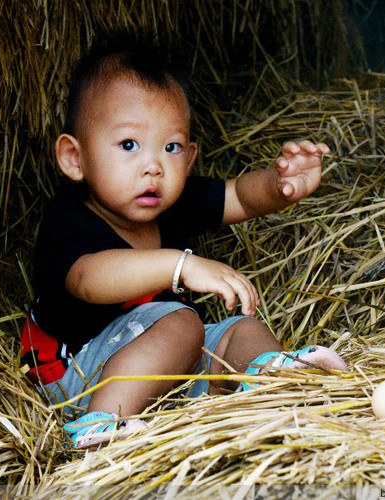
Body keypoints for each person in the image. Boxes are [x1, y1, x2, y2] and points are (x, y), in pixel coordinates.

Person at [21, 31, 347, 448]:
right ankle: (99, 425)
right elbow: (88, 279)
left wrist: (281, 184)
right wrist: (182, 265)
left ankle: (273, 379)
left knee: (239, 330)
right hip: (75, 374)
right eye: (128, 144)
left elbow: (237, 198)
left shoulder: (169, 201)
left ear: (189, 157)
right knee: (181, 322)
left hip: (161, 364)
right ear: (75, 158)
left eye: (171, 147)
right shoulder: (70, 219)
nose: (153, 166)